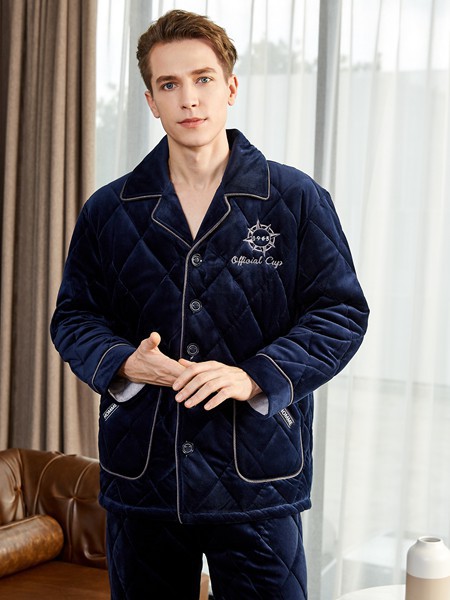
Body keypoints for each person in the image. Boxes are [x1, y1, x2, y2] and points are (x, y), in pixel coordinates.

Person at [51, 9, 369, 600]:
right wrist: (124, 361)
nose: (188, 99)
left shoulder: (294, 198)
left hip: (257, 476)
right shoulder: (108, 209)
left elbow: (340, 313)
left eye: (202, 79)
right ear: (151, 101)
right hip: (145, 478)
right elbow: (73, 317)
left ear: (231, 87)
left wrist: (254, 376)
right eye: (169, 84)